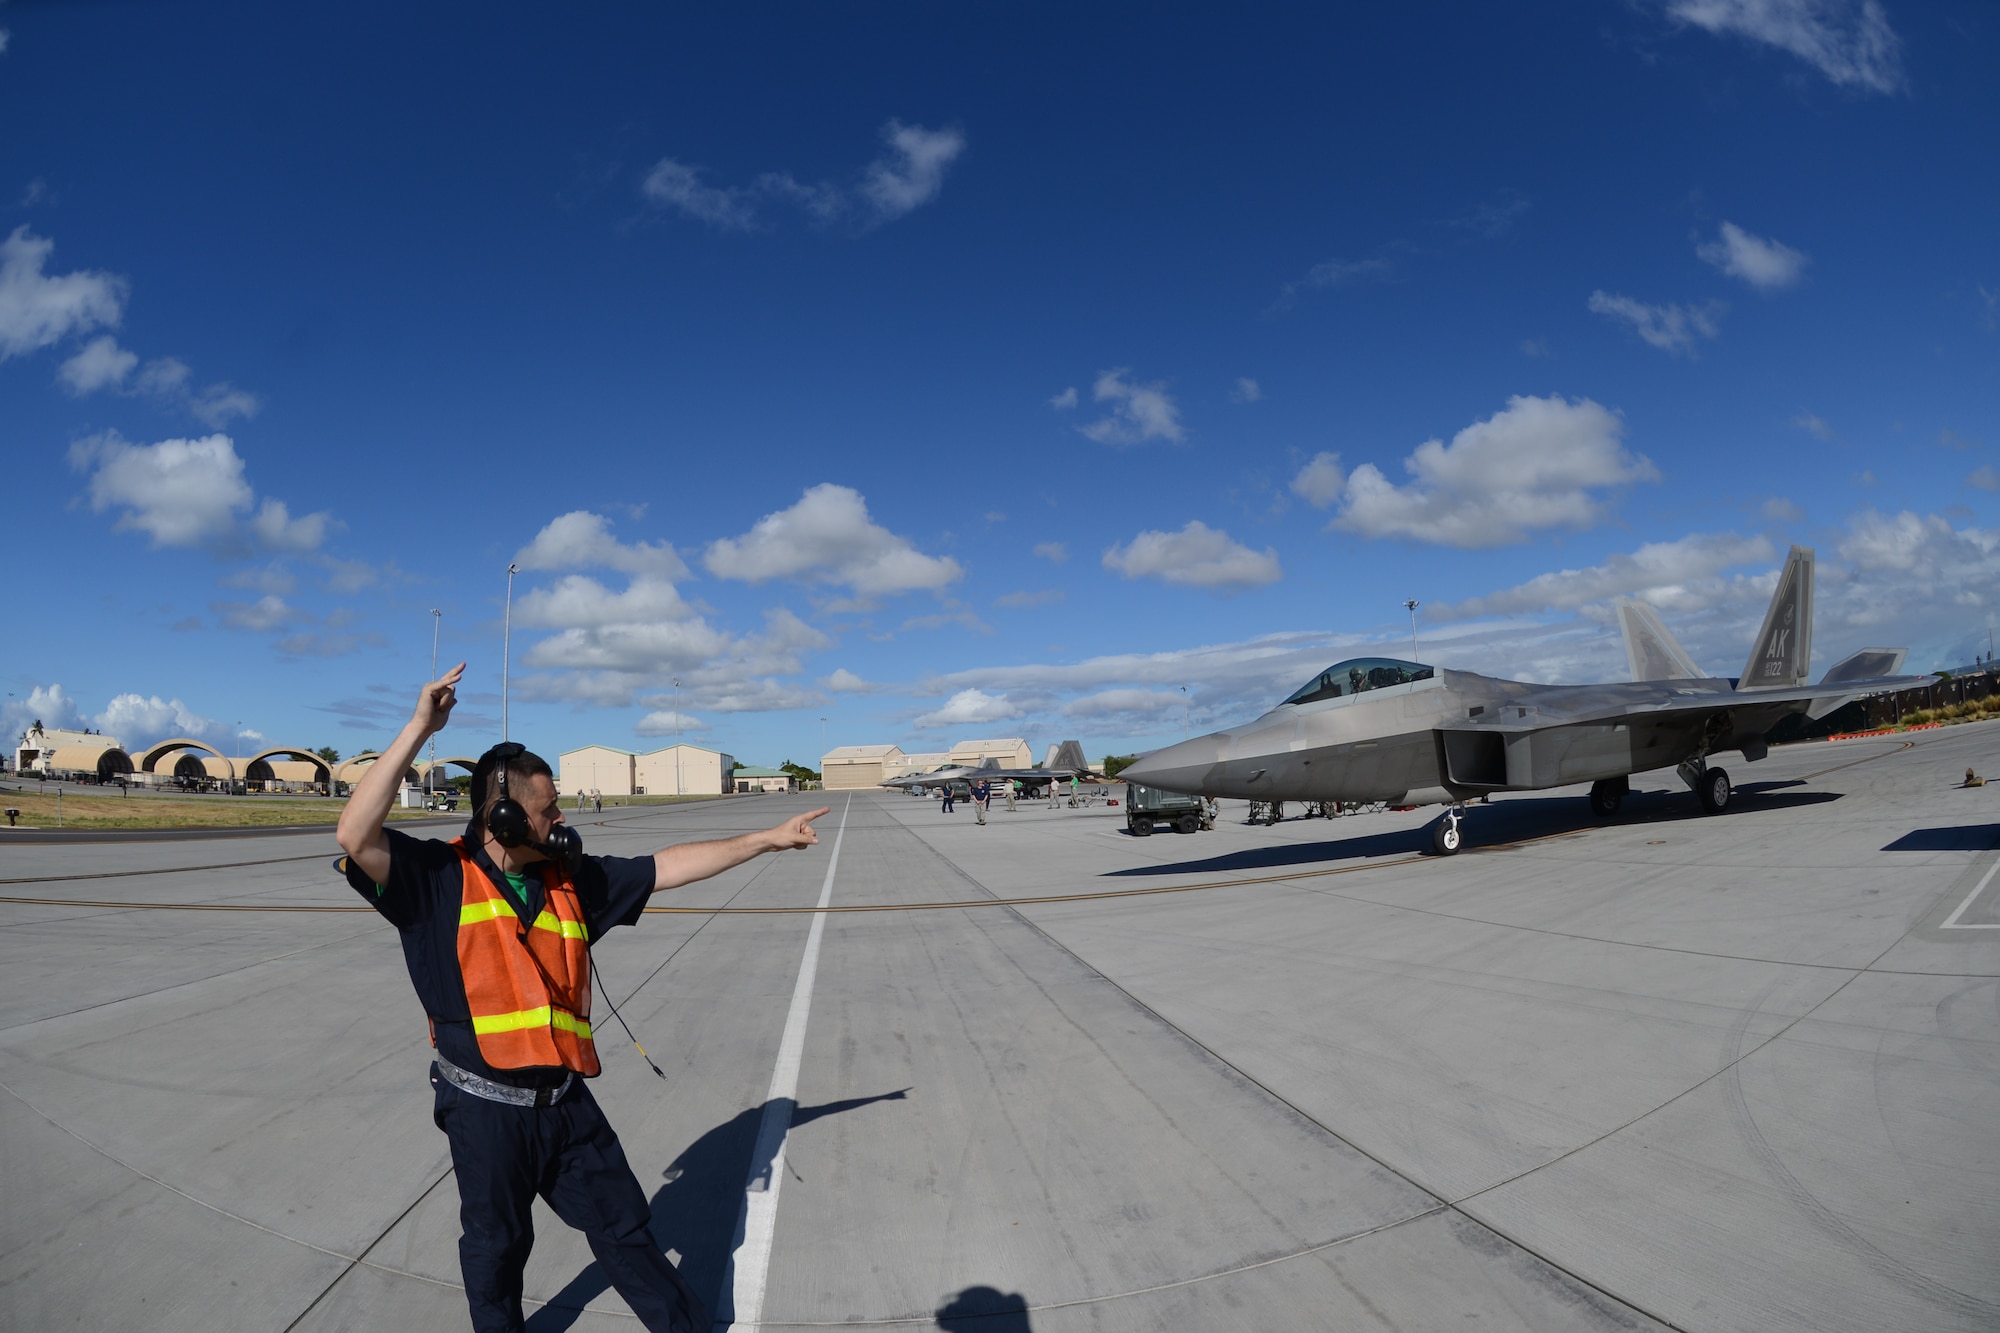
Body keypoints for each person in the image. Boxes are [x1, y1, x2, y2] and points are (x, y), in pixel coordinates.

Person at [336, 665, 828, 1333]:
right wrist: (421, 727)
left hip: (566, 1105)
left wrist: (765, 839)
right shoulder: (435, 879)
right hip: (484, 1112)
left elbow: (668, 865)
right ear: (504, 815)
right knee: (497, 1250)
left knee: (627, 1231)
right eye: (549, 808)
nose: (562, 816)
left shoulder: (571, 882)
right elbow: (355, 834)